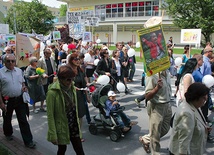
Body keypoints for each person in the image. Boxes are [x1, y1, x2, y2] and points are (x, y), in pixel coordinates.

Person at [46, 65, 85, 155]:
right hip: (62, 126)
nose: (70, 82)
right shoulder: (52, 93)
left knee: (79, 150)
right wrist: (53, 134)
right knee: (62, 149)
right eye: (68, 79)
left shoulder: (72, 88)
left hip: (73, 125)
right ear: (60, 79)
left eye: (72, 79)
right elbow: (50, 115)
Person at [0, 54, 36, 148]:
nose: (11, 63)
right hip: (7, 100)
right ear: (4, 62)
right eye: (8, 61)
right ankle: (8, 133)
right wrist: (1, 103)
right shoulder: (0, 73)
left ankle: (28, 141)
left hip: (19, 99)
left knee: (23, 120)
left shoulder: (19, 71)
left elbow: (22, 82)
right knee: (7, 119)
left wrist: (24, 87)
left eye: (13, 61)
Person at [169, 83, 210, 155]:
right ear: (196, 97)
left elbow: (196, 124)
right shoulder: (187, 114)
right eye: (203, 97)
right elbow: (183, 142)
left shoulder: (195, 106)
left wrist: (204, 127)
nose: (206, 99)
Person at [139, 70, 172, 154]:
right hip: (157, 106)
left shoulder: (167, 73)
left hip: (167, 104)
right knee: (155, 133)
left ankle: (145, 139)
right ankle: (155, 152)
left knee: (165, 129)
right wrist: (157, 88)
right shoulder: (152, 75)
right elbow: (147, 96)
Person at [68, 53, 91, 140]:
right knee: (72, 115)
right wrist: (73, 87)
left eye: (78, 59)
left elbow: (84, 84)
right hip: (70, 96)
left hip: (80, 96)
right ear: (71, 60)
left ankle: (78, 134)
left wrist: (87, 96)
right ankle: (70, 131)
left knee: (80, 115)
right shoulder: (68, 70)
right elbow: (64, 83)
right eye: (75, 59)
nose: (78, 61)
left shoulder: (80, 70)